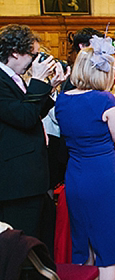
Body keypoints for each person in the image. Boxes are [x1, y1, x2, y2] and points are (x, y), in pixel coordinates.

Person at [55, 37, 115, 280]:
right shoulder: (105, 100)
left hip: (76, 177)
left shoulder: (62, 100)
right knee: (109, 253)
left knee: (83, 247)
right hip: (104, 179)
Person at [0, 24, 68, 241]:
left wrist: (50, 87)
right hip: (16, 183)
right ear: (15, 53)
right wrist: (38, 82)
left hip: (32, 179)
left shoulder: (14, 79)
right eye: (33, 55)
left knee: (42, 241)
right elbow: (24, 117)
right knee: (24, 247)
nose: (35, 61)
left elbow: (33, 112)